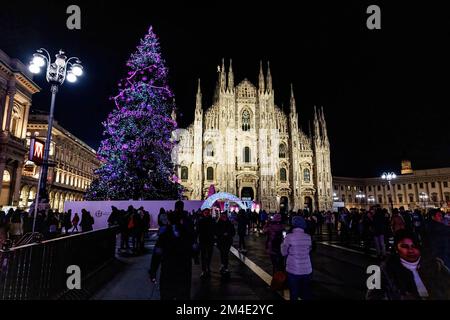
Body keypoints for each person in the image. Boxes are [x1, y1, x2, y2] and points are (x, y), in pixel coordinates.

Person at [366, 229, 450, 300]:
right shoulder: (386, 269)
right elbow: (372, 296)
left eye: (414, 246)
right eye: (404, 246)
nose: (411, 250)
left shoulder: (435, 265)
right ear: (396, 249)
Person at [149, 210, 196, 300]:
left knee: (167, 295)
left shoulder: (164, 235)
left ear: (169, 221)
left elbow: (157, 254)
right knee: (183, 296)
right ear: (181, 220)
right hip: (183, 270)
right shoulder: (187, 234)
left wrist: (153, 270)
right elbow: (194, 250)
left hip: (168, 270)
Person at [281, 216, 313, 300]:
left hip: (293, 269)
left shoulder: (289, 237)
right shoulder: (308, 237)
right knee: (306, 292)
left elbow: (283, 252)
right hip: (307, 269)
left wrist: (283, 242)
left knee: (294, 293)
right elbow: (309, 250)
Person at [197, 208, 215, 279]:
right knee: (203, 255)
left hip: (209, 240)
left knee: (209, 255)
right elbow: (198, 230)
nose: (207, 214)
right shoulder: (201, 221)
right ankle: (204, 269)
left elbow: (214, 229)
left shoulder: (211, 220)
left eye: (208, 212)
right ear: (203, 213)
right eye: (205, 212)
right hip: (203, 240)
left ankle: (207, 267)